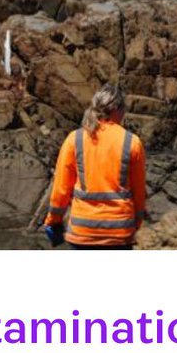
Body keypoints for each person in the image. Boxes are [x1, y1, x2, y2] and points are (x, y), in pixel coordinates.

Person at [43, 82, 147, 249]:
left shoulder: (74, 140)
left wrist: (52, 222)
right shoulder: (132, 142)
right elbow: (139, 193)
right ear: (117, 110)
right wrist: (137, 224)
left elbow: (60, 190)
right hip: (120, 233)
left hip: (82, 233)